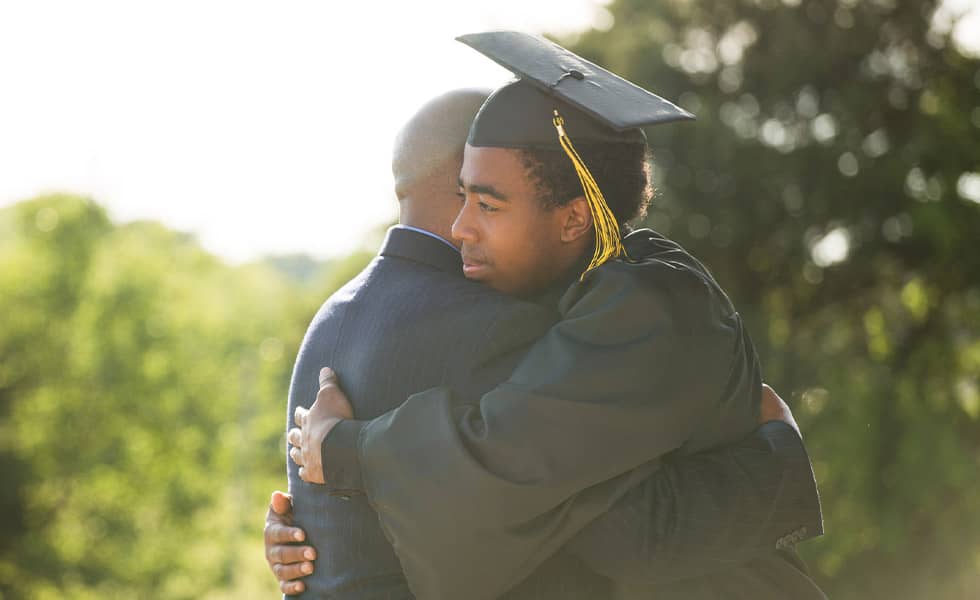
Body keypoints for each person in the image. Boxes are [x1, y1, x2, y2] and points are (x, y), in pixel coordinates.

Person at [281, 44, 824, 599]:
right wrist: (320, 535)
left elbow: (607, 519)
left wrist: (345, 450)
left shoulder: (650, 304)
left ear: (572, 219)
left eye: (488, 205)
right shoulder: (579, 296)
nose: (461, 227)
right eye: (463, 197)